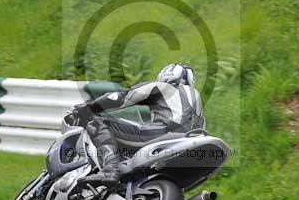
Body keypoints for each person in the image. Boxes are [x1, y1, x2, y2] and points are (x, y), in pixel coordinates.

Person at [73, 63, 204, 186]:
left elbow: (119, 98)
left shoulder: (161, 86)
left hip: (164, 133)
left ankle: (109, 169)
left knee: (95, 122)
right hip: (193, 142)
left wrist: (88, 108)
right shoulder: (196, 96)